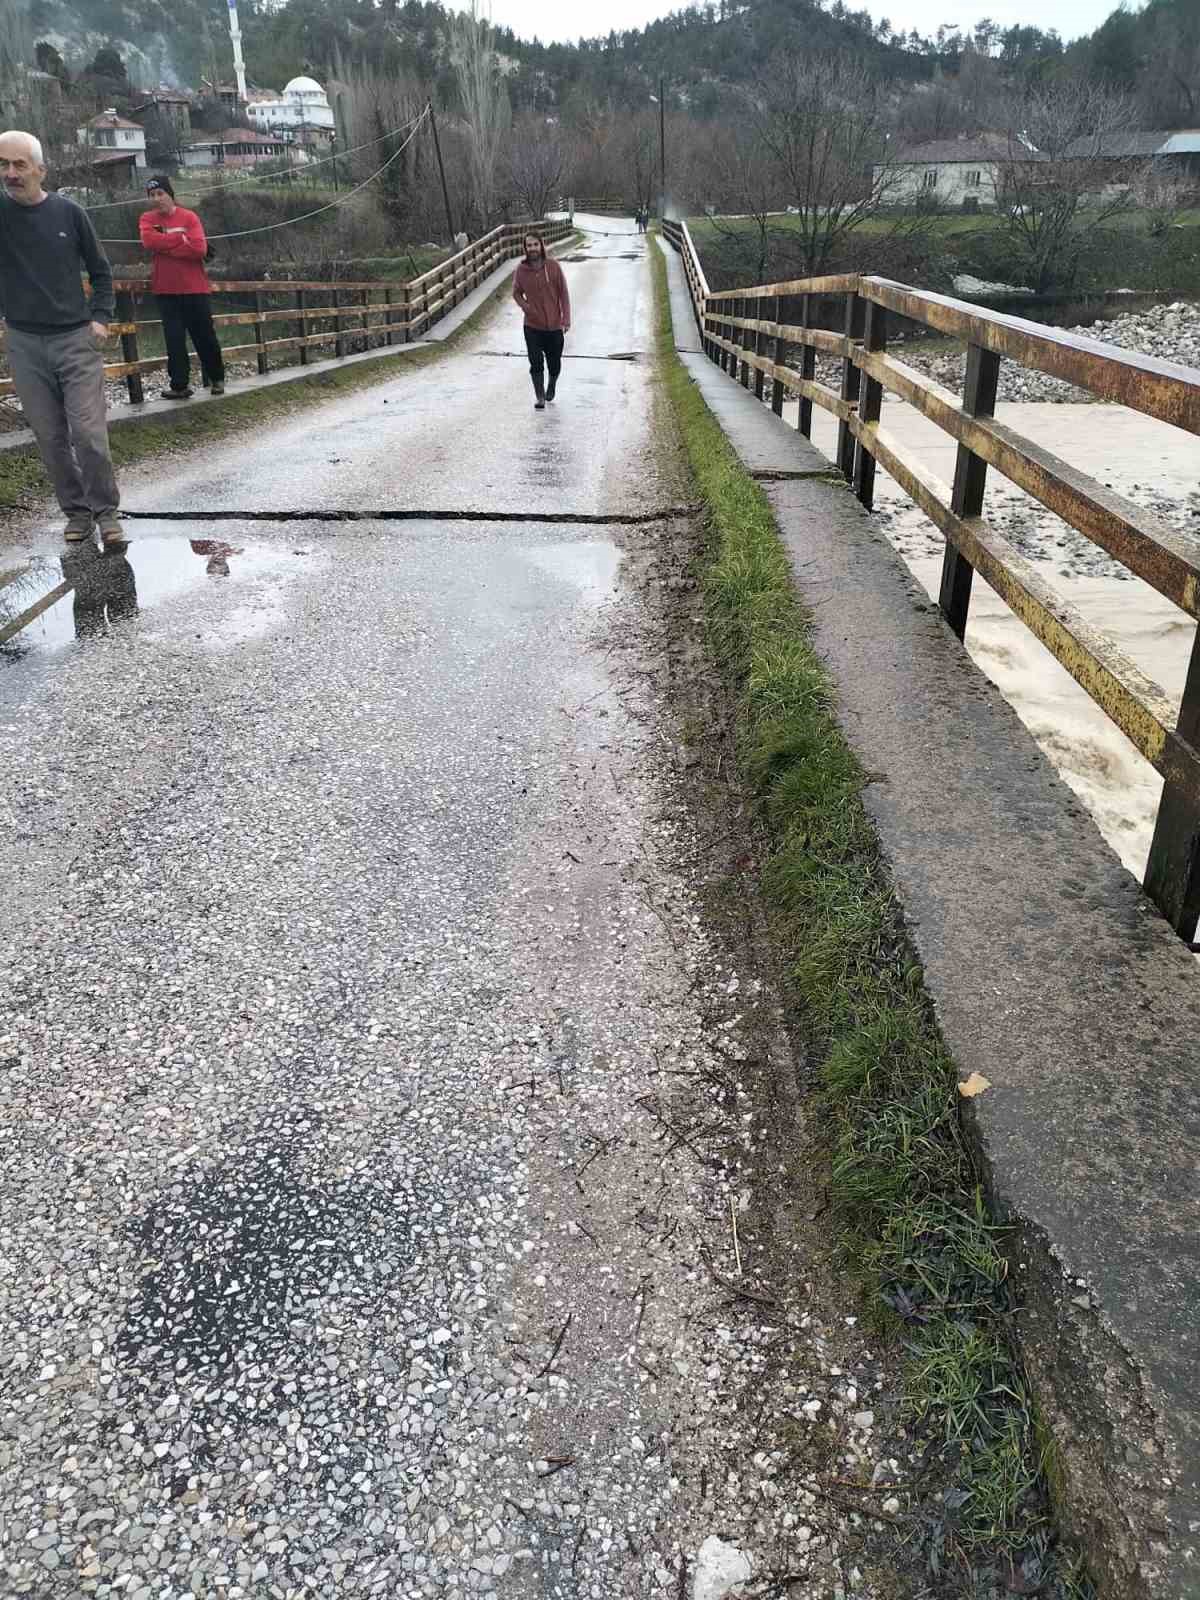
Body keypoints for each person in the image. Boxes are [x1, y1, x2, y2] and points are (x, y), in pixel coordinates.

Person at [0, 129, 124, 546]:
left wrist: (101, 318)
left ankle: (106, 512)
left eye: (19, 164)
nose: (11, 173)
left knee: (88, 432)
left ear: (40, 169)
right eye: (3, 165)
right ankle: (77, 512)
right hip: (24, 341)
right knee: (50, 436)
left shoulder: (69, 214)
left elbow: (102, 272)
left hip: (75, 338)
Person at [138, 175, 225, 400]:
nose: (157, 199)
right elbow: (149, 242)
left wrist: (165, 242)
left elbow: (199, 249)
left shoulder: (189, 216)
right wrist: (180, 239)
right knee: (174, 340)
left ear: (170, 194)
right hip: (165, 290)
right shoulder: (147, 218)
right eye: (152, 195)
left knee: (204, 336)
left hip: (195, 289)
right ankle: (179, 385)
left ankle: (217, 378)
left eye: (160, 193)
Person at [511, 233, 570, 412]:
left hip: (554, 325)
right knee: (535, 362)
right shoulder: (521, 271)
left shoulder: (553, 267)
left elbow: (563, 293)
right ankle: (540, 396)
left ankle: (551, 383)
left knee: (554, 363)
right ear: (525, 249)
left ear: (541, 246)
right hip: (532, 326)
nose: (533, 248)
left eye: (535, 244)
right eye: (529, 245)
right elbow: (516, 293)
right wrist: (527, 308)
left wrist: (565, 319)